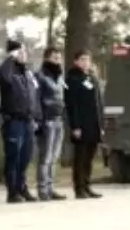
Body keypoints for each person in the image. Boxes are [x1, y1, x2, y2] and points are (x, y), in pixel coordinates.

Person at [0, 40, 40, 203]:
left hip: (27, 120)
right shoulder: (8, 71)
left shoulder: (26, 72)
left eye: (24, 52)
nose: (24, 55)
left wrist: (36, 117)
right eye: (20, 52)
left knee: (25, 157)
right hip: (13, 121)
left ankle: (22, 188)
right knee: (13, 157)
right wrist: (10, 59)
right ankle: (12, 191)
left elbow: (34, 95)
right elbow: (4, 79)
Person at [64, 50, 104, 199]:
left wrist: (101, 124)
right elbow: (72, 104)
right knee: (80, 158)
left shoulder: (91, 78)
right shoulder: (72, 79)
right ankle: (79, 187)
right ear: (76, 61)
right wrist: (75, 126)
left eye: (87, 59)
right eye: (82, 59)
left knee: (89, 158)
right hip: (81, 125)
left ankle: (87, 185)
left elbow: (98, 103)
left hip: (93, 124)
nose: (85, 62)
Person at [34, 46, 67, 201]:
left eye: (59, 58)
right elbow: (37, 100)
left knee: (54, 158)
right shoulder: (40, 76)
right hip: (47, 120)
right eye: (54, 57)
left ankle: (51, 187)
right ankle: (43, 189)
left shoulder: (59, 77)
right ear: (46, 58)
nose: (57, 60)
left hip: (58, 120)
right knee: (45, 157)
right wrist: (39, 120)